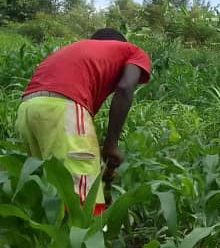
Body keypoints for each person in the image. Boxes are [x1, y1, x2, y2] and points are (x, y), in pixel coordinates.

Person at [16, 28, 152, 216]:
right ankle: (85, 242)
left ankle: (48, 242)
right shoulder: (132, 51)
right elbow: (125, 87)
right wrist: (111, 144)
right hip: (65, 108)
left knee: (52, 186)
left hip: (27, 108)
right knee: (84, 194)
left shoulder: (75, 51)